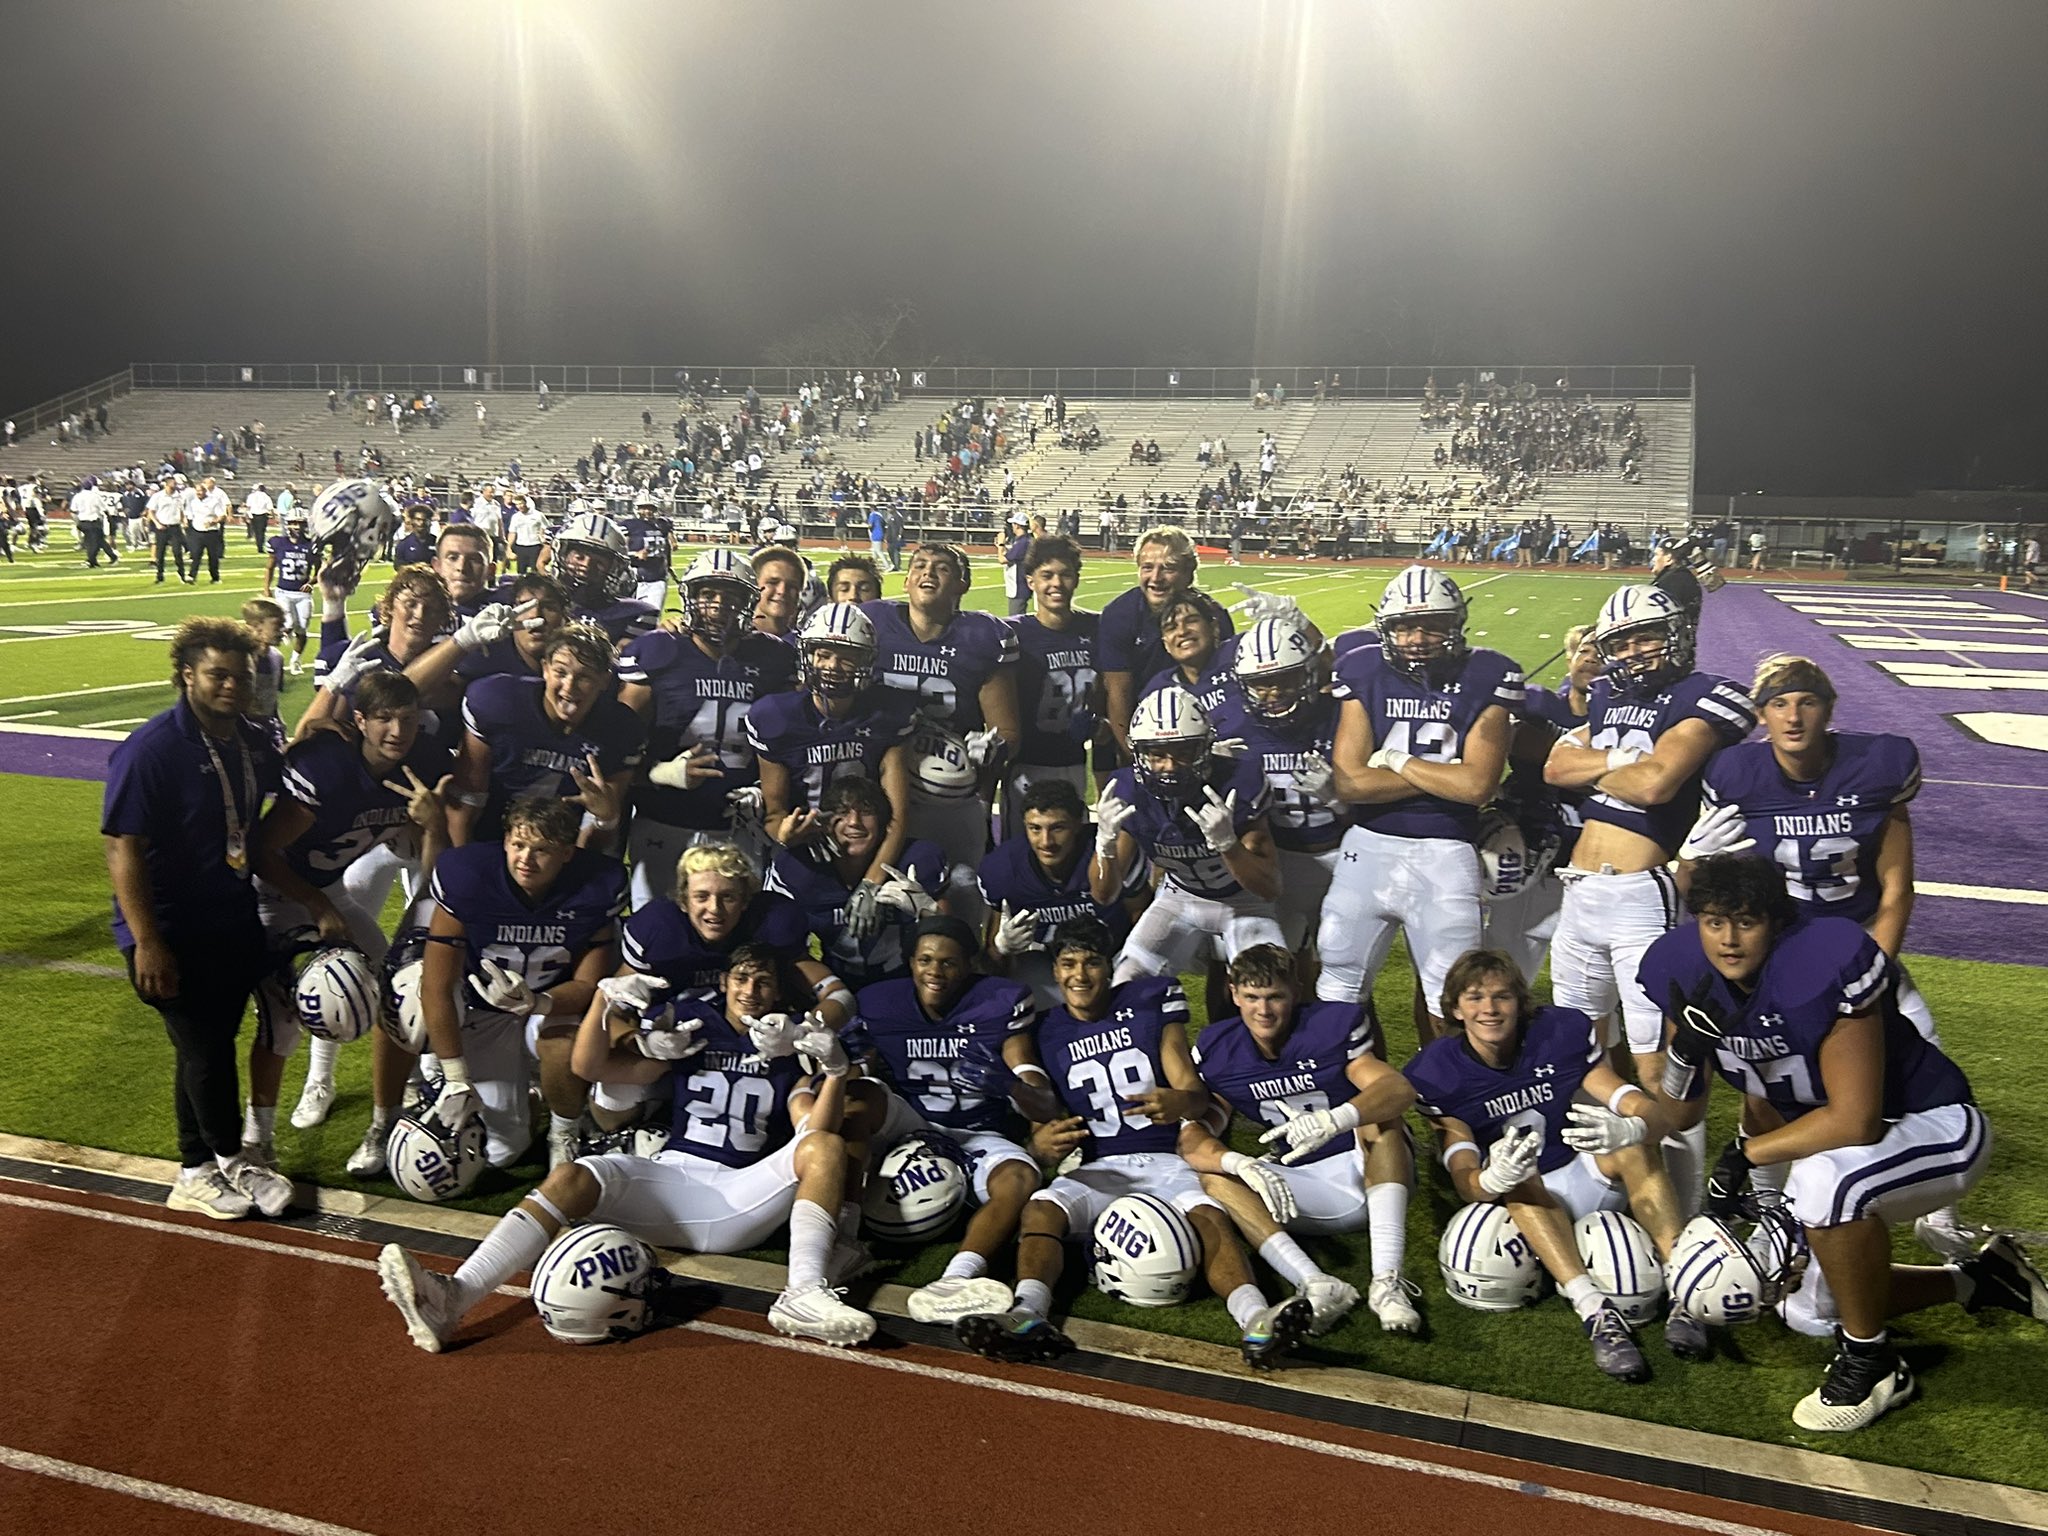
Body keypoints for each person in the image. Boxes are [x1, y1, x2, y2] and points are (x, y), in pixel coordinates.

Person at [1627, 856, 2046, 1430]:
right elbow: (1680, 1113)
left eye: (1745, 922)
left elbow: (1855, 1121)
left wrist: (1743, 1157)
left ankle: (1872, 1363)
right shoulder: (1685, 971)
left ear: (1774, 921)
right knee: (1815, 1309)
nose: (1727, 939)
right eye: (1714, 921)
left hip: (1935, 1126)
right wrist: (1683, 1054)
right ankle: (1979, 1278)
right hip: (1845, 1149)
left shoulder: (1820, 961)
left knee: (1825, 1186)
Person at [376, 942, 876, 1351]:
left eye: (763, 981)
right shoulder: (694, 1026)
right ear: (724, 982)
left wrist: (833, 1070)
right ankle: (455, 1297)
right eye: (741, 978)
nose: (751, 991)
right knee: (574, 1173)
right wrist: (605, 1002)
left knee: (825, 1148)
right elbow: (590, 1069)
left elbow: (812, 1130)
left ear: (777, 992)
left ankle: (802, 1291)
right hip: (673, 1174)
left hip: (739, 1195)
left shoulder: (786, 1042)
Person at [958, 920, 1316, 1368]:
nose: (1080, 975)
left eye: (1091, 963)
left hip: (1167, 1158)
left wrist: (1179, 1100)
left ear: (1110, 969)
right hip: (1101, 1165)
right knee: (1041, 1209)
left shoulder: (1151, 1003)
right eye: (1068, 964)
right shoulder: (1045, 1028)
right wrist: (1016, 1098)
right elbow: (1047, 1107)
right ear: (1055, 972)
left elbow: (1193, 1089)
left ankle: (1255, 1320)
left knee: (1209, 1216)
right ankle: (1029, 1314)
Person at [1542, 585, 1756, 1207]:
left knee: (1659, 1064)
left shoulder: (1706, 694)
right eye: (1619, 643)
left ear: (1678, 632)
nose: (1633, 653)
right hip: (1578, 892)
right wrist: (1621, 759)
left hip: (1644, 891)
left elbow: (1660, 783)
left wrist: (1601, 762)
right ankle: (1604, 1186)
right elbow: (1554, 770)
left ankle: (1690, 1214)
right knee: (1577, 1046)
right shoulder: (1607, 695)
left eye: (1645, 637)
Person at [1405, 948, 1696, 1379]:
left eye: (1502, 997)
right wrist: (1490, 1178)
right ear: (1454, 1009)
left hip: (1581, 1170)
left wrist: (1633, 1128)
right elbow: (1464, 1179)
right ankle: (1594, 1311)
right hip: (1526, 1204)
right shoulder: (1435, 1073)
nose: (1489, 1009)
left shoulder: (1558, 1033)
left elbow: (1648, 1111)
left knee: (1635, 1147)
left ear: (1520, 1003)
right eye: (1474, 998)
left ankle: (1683, 1292)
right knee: (1518, 1175)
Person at [103, 619, 287, 1219]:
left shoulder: (250, 740)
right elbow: (122, 848)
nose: (232, 685)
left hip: (229, 916)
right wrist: (146, 941)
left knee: (209, 1045)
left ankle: (195, 1166)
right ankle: (230, 1158)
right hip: (169, 926)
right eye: (218, 675)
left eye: (242, 675)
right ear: (187, 675)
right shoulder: (151, 749)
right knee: (204, 1047)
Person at [1318, 567, 1521, 1042]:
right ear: (1385, 629)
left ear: (1458, 623)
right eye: (1404, 626)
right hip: (1366, 847)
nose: (1416, 638)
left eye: (1432, 624)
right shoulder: (1362, 667)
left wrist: (1394, 762)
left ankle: (1452, 1106)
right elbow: (1350, 783)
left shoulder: (1490, 673)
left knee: (1452, 1000)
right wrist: (1440, 775)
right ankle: (1359, 1106)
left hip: (1446, 853)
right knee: (1337, 985)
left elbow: (1476, 787)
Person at [249, 670, 452, 1142]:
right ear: (360, 720)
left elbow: (428, 864)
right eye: (384, 718)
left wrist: (433, 825)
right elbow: (263, 851)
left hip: (328, 887)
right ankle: (257, 1139)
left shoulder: (417, 768)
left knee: (395, 988)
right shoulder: (328, 767)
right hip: (273, 896)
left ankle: (391, 1111)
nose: (397, 731)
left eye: (407, 719)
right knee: (282, 1024)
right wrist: (318, 905)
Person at [374, 796, 625, 1176]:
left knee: (566, 1043)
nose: (526, 858)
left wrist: (538, 1001)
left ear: (567, 854)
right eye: (518, 845)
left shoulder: (598, 884)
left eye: (542, 850)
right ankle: (432, 1090)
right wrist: (456, 1077)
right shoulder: (469, 875)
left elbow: (589, 985)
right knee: (504, 1150)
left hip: (548, 1004)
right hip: (482, 1010)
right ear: (505, 841)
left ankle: (563, 1132)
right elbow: (438, 985)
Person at [1179, 944, 1420, 1333]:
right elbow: (1192, 1137)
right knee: (1215, 1178)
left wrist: (1337, 1119)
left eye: (1275, 996)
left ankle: (1386, 1283)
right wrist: (1237, 1163)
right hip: (1296, 1186)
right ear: (1234, 993)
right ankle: (1316, 1282)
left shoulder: (1330, 1026)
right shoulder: (1219, 1049)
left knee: (1383, 1123)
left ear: (1296, 990)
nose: (1264, 1009)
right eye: (1253, 997)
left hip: (1363, 1170)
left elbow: (1396, 1089)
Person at [845, 917, 1054, 1324]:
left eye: (948, 963)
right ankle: (843, 1238)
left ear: (969, 965)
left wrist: (1010, 1086)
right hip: (911, 1125)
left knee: (1020, 1178)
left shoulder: (1000, 1001)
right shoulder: (878, 1002)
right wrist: (841, 1061)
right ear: (909, 963)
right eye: (925, 960)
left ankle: (955, 1279)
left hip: (978, 1134)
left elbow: (1044, 1105)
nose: (935, 972)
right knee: (861, 1099)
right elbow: (853, 1081)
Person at [615, 551, 797, 903]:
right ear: (690, 598)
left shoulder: (775, 657)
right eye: (708, 594)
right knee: (661, 928)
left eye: (731, 597)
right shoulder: (657, 650)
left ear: (748, 602)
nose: (718, 605)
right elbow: (617, 745)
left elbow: (791, 741)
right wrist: (658, 774)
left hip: (739, 823)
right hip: (664, 819)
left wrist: (767, 791)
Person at [862, 542, 1022, 917]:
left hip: (950, 791)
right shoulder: (873, 625)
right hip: (884, 785)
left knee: (963, 890)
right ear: (906, 580)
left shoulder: (983, 637)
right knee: (886, 899)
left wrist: (991, 751)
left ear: (962, 586)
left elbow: (1009, 733)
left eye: (942, 568)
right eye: (919, 565)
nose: (928, 572)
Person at [1094, 686, 1283, 1001]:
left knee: (1265, 993)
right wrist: (1105, 844)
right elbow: (1104, 894)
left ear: (1204, 749)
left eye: (1182, 752)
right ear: (1139, 754)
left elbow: (1269, 888)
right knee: (1126, 980)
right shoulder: (1129, 790)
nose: (1169, 766)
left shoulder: (1237, 783)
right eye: (1156, 754)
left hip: (1243, 901)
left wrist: (1229, 845)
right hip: (1179, 897)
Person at [744, 602, 918, 868]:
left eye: (846, 657)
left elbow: (898, 815)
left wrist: (872, 880)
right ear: (808, 657)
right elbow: (775, 815)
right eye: (823, 655)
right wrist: (786, 834)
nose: (832, 666)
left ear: (865, 661)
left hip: (867, 840)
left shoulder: (887, 714)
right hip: (808, 846)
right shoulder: (775, 716)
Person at [447, 624, 645, 849]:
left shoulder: (621, 729)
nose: (569, 686)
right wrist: (466, 861)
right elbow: (466, 801)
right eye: (561, 672)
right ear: (545, 668)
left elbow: (599, 834)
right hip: (490, 835)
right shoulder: (498, 702)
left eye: (584, 677)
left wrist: (605, 818)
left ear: (604, 681)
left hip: (560, 848)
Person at [1228, 617, 1344, 952]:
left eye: (1284, 679)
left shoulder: (1339, 716)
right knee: (1270, 970)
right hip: (1273, 863)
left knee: (1342, 971)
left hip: (1338, 857)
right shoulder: (1233, 726)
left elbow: (1374, 821)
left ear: (1308, 673)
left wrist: (1340, 800)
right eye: (1261, 683)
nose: (1274, 692)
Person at [766, 775, 948, 988]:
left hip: (905, 981)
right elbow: (773, 945)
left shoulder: (918, 862)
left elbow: (953, 945)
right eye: (843, 813)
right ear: (824, 823)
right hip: (829, 979)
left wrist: (930, 914)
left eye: (867, 811)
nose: (854, 822)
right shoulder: (798, 867)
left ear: (884, 821)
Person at [978, 778, 1144, 1008]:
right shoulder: (1003, 868)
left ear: (1078, 823)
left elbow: (1141, 918)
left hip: (1111, 957)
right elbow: (991, 963)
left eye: (1057, 828)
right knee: (1007, 994)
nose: (1046, 842)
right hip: (1047, 962)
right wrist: (1002, 946)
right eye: (1035, 828)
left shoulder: (1108, 854)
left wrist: (1125, 967)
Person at [1099, 527, 1234, 764]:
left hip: (1202, 725)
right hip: (1145, 729)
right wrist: (1134, 755)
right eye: (1147, 567)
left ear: (1189, 573)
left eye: (1168, 568)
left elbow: (1225, 685)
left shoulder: (1213, 615)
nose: (1156, 578)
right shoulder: (1119, 615)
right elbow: (1118, 692)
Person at [1004, 534, 1102, 831]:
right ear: (1030, 581)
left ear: (1076, 579)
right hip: (1025, 765)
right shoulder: (1012, 634)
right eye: (1046, 575)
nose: (1056, 584)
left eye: (1065, 575)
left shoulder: (1098, 628)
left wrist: (1101, 725)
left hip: (1074, 761)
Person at [264, 507, 319, 676]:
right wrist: (266, 587)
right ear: (287, 524)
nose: (296, 526)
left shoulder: (311, 546)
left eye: (299, 523)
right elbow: (270, 566)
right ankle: (272, 654)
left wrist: (311, 582)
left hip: (303, 594)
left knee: (301, 629)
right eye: (293, 522)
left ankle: (295, 660)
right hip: (283, 591)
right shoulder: (278, 543)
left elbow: (320, 570)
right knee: (287, 621)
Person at [751, 545, 809, 639]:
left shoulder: (805, 647)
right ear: (754, 584)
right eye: (772, 582)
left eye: (792, 586)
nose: (782, 591)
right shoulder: (732, 642)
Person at [186, 476, 232, 583]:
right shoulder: (193, 502)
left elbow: (222, 515)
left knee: (213, 556)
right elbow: (189, 514)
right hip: (197, 531)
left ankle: (215, 577)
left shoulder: (213, 501)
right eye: (197, 491)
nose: (198, 493)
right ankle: (192, 575)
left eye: (200, 491)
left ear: (205, 491)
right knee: (196, 554)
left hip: (211, 532)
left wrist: (213, 522)